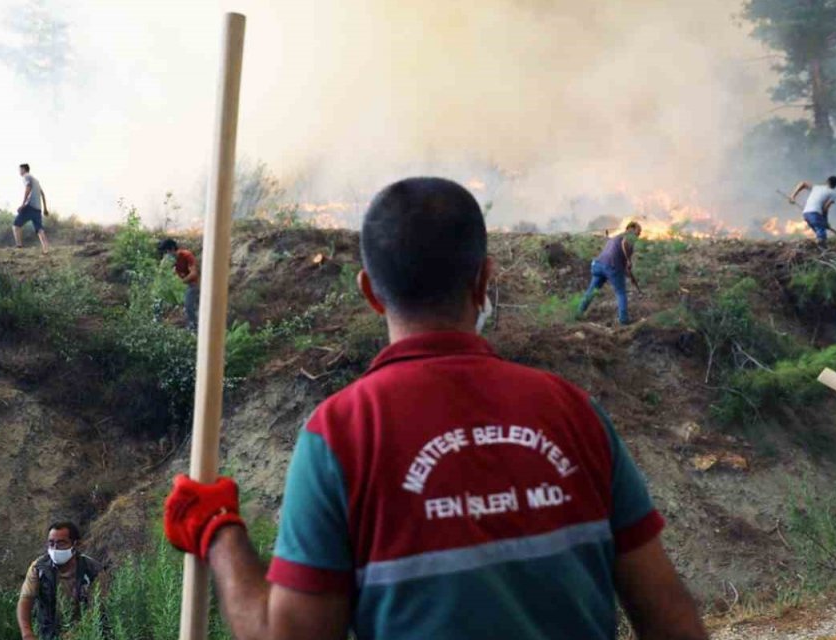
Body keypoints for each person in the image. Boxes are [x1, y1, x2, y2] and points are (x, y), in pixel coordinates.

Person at [162, 177, 708, 640]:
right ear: (485, 281)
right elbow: (675, 624)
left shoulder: (341, 433)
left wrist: (218, 530)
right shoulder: (576, 413)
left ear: (370, 291)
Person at [16, 521, 103, 640]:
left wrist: (77, 632)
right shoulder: (39, 568)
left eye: (61, 543)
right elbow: (25, 600)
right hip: (47, 632)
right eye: (51, 543)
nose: (55, 548)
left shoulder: (92, 570)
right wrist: (27, 633)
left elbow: (97, 607)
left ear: (75, 545)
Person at [577, 221, 641, 326]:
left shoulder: (615, 237)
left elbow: (624, 267)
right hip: (611, 267)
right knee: (621, 293)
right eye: (638, 232)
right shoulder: (628, 238)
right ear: (631, 229)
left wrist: (631, 276)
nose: (639, 235)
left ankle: (579, 312)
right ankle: (624, 320)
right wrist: (629, 260)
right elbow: (624, 256)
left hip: (598, 265)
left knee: (592, 291)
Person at [158, 238, 199, 331]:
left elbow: (194, 273)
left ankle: (194, 327)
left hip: (192, 284)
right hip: (181, 286)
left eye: (167, 252)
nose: (166, 255)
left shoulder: (186, 255)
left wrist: (181, 282)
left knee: (188, 305)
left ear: (172, 249)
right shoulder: (171, 260)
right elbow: (162, 274)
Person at [788, 175, 836, 248]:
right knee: (822, 236)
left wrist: (792, 196)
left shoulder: (817, 187)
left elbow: (803, 183)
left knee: (819, 233)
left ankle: (818, 248)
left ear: (827, 181)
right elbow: (825, 208)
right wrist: (825, 221)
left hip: (806, 214)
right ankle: (823, 251)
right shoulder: (832, 193)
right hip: (815, 214)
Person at [14, 163, 51, 255]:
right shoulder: (36, 180)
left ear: (23, 169)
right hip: (38, 208)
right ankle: (46, 249)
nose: (19, 171)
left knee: (16, 225)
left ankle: (19, 246)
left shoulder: (26, 176)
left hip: (29, 206)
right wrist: (45, 209)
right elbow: (42, 194)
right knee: (39, 229)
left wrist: (23, 204)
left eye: (20, 170)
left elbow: (28, 188)